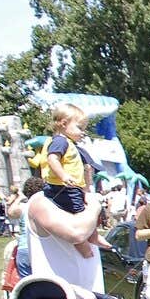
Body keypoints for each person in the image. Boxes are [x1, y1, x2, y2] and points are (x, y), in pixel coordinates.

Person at [41, 104, 108, 259]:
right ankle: (83, 246)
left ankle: (93, 235)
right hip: (63, 188)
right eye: (79, 128)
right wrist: (64, 176)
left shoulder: (70, 144)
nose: (82, 132)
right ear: (63, 124)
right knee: (78, 216)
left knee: (82, 212)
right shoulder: (60, 141)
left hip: (72, 187)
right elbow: (52, 159)